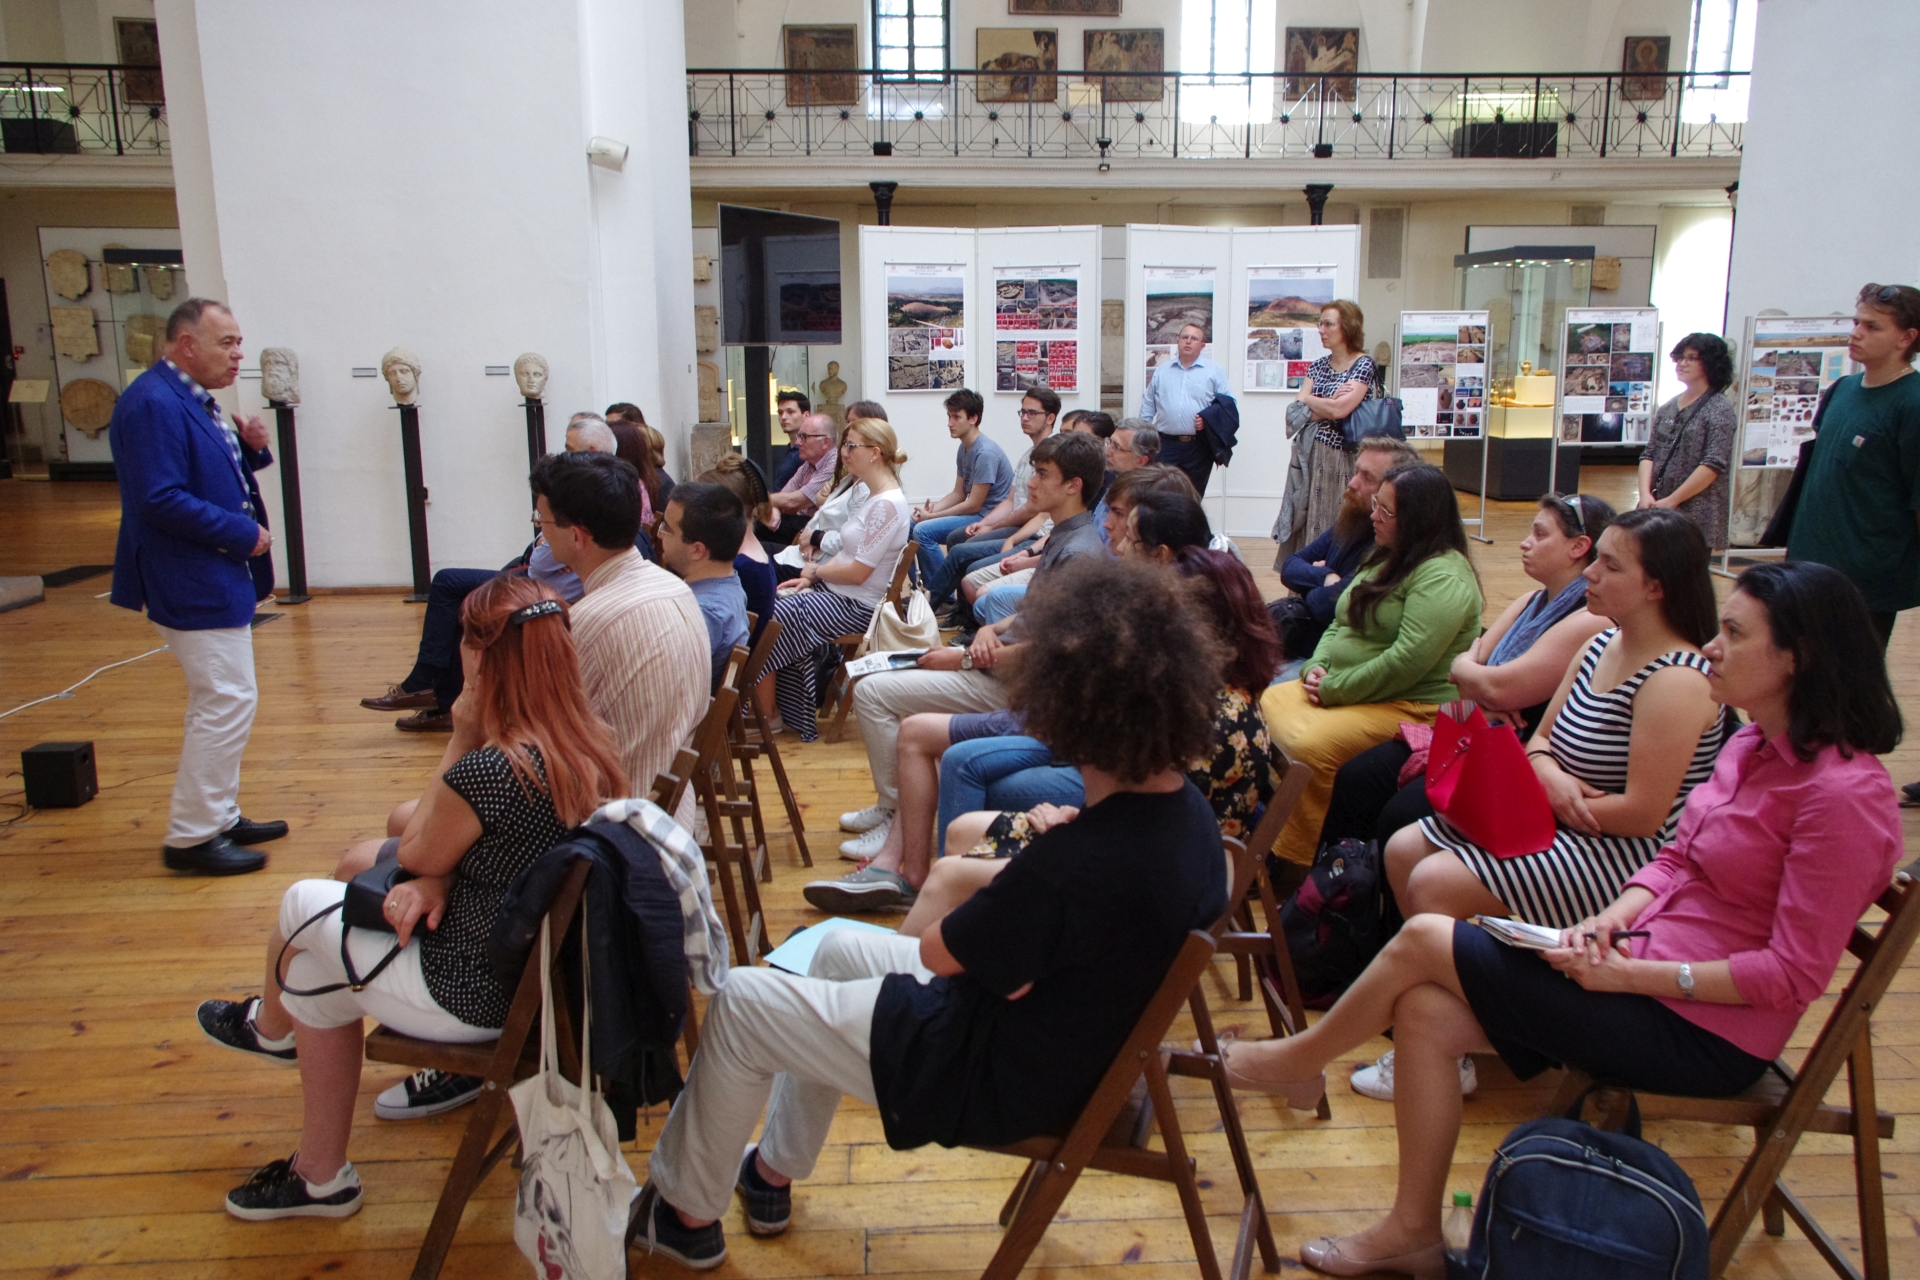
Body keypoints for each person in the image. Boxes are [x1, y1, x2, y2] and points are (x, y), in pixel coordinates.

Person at [1214, 560, 1903, 1280]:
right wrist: (1609, 922)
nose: (1712, 647)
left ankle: (1301, 1061)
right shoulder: (1752, 743)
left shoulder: (1842, 797)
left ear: (1798, 657)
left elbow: (1789, 974)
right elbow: (1674, 861)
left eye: (1734, 633)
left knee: (1424, 938)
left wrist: (1630, 973)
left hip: (1704, 1030)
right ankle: (1411, 1231)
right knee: (1424, 1011)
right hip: (1640, 967)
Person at [627, 557, 1230, 1270]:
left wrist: (1019, 869)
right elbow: (1039, 953)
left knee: (743, 1002)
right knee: (833, 949)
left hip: (993, 1073)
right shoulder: (1188, 818)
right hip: (1055, 1041)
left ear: (1069, 706)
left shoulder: (1076, 863)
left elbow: (941, 955)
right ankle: (769, 1174)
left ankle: (684, 1216)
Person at [197, 575, 630, 1220]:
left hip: (471, 993)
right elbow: (442, 845)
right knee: (311, 966)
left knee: (300, 904)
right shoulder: (589, 744)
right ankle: (317, 1172)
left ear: (481, 657)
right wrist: (439, 874)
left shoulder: (493, 767)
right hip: (542, 984)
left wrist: (459, 734)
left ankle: (271, 1031)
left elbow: (419, 849)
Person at [1326, 492, 1616, 1103]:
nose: (1524, 543)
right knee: (1362, 784)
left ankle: (1411, 988)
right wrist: (1481, 679)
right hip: (1478, 740)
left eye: (1539, 534)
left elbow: (1496, 680)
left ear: (1579, 546)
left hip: (1509, 773)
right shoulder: (1535, 601)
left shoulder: (1589, 622)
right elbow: (1469, 667)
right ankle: (1345, 937)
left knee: (1400, 820)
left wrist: (1481, 679)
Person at [911, 529, 1284, 928]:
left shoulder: (1209, 712)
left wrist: (1070, 822)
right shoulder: (1209, 693)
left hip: (1148, 870)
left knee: (952, 865)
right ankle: (960, 925)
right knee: (962, 827)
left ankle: (964, 930)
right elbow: (1141, 804)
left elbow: (1147, 818)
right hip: (1140, 844)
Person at [1387, 507, 1728, 932]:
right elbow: (1541, 738)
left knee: (1434, 881)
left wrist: (1548, 795)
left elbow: (1643, 816)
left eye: (1610, 566)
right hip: (1562, 819)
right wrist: (1547, 774)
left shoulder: (1677, 679)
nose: (1590, 573)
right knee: (1402, 849)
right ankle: (1436, 962)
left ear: (1655, 587)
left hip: (1622, 853)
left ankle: (1456, 965)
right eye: (1596, 558)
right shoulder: (1600, 644)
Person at [836, 431, 1110, 857]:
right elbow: (1036, 614)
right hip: (1003, 667)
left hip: (1014, 685)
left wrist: (963, 658)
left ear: (1074, 485)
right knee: (877, 678)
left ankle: (894, 813)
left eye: (1042, 474)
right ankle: (893, 807)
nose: (1031, 483)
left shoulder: (1080, 553)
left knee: (872, 692)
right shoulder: (1066, 538)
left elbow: (1057, 650)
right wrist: (991, 629)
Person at [108, 297, 287, 876]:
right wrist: (242, 533)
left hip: (210, 571)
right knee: (226, 700)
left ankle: (218, 816)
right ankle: (191, 837)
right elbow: (159, 497)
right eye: (226, 343)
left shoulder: (185, 396)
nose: (238, 354)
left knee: (221, 700)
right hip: (190, 575)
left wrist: (252, 450)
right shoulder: (153, 403)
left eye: (238, 342)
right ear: (186, 344)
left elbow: (206, 471)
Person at [1259, 465, 1481, 870]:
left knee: (1310, 745)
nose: (1373, 515)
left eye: (1386, 511)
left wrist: (1335, 688)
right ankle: (1269, 828)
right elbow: (1341, 620)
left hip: (1411, 706)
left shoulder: (1444, 576)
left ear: (1419, 519)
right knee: (1264, 703)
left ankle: (1297, 855)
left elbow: (1406, 663)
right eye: (1377, 505)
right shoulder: (1387, 554)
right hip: (1353, 688)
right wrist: (1317, 665)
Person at [359, 422, 616, 732]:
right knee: (457, 594)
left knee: (450, 585)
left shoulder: (592, 495)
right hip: (538, 578)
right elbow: (542, 555)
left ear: (592, 451)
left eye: (569, 448)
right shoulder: (590, 490)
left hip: (544, 589)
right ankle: (437, 695)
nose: (565, 454)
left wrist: (543, 545)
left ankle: (429, 686)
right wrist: (543, 543)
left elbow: (540, 564)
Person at [532, 451, 711, 819]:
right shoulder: (674, 587)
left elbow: (543, 742)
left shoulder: (591, 619)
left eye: (542, 521)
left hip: (613, 822)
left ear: (576, 536)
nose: (541, 532)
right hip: (670, 808)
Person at [1785, 283, 1920, 655]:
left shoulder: (1912, 403)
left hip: (1866, 579)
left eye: (1872, 326)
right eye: (1856, 322)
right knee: (1800, 670)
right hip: (1809, 567)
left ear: (1906, 338)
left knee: (1850, 681)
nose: (1856, 333)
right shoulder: (1842, 389)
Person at [762, 418, 912, 742]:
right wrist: (809, 580)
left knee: (771, 617)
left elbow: (858, 572)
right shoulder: (873, 495)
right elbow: (847, 553)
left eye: (851, 445)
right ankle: (781, 711)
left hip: (856, 606)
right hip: (839, 594)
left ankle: (768, 714)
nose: (844, 452)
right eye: (845, 444)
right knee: (772, 605)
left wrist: (814, 572)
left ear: (874, 453)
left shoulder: (887, 505)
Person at [1277, 437, 1421, 660]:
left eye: (1367, 478)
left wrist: (1309, 581)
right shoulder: (1353, 520)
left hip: (1334, 657)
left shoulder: (1391, 545)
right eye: (1356, 472)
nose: (1352, 483)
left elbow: (1324, 607)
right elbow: (1290, 567)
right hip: (1311, 646)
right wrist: (1326, 577)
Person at [925, 388, 1059, 611]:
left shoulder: (1053, 455)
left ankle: (926, 608)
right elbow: (1010, 501)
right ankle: (958, 610)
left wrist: (992, 526)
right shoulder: (1029, 454)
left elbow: (1031, 510)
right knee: (957, 538)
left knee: (959, 551)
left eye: (1032, 413)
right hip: (1017, 524)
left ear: (1050, 418)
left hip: (1032, 531)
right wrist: (985, 524)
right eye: (1023, 412)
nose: (1025, 418)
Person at [1275, 301, 1377, 562]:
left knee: (1340, 519)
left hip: (1347, 458)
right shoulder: (1318, 366)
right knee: (1311, 518)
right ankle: (1308, 578)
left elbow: (1339, 410)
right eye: (1320, 324)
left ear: (1348, 327)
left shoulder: (1363, 365)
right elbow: (1294, 413)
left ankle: (1337, 577)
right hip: (1313, 456)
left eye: (1328, 324)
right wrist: (1327, 401)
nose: (1321, 329)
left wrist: (1311, 401)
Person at [1639, 333, 1737, 550]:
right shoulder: (1668, 407)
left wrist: (1673, 500)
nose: (1682, 363)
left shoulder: (1719, 408)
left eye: (1692, 358)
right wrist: (1645, 494)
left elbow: (1713, 463)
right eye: (1680, 357)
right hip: (1656, 505)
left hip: (1697, 511)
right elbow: (1649, 453)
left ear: (1710, 363)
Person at [910, 388, 1015, 585]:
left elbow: (974, 505)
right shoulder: (965, 447)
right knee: (910, 525)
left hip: (987, 516)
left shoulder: (985, 453)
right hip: (975, 512)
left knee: (923, 531)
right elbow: (959, 493)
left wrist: (931, 517)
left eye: (956, 417)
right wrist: (932, 510)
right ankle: (921, 589)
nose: (950, 423)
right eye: (949, 416)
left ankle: (941, 592)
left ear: (973, 418)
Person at [659, 482, 751, 695]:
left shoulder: (704, 612)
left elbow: (666, 685)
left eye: (667, 528)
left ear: (697, 550)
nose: (660, 534)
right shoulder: (728, 582)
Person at [1140, 321, 1232, 496]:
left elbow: (1228, 406)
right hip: (1165, 445)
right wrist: (1144, 441)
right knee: (1159, 496)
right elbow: (1148, 406)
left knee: (1192, 498)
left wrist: (1208, 420)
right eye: (1185, 337)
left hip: (1198, 447)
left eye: (1194, 338)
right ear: (1178, 341)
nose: (1188, 341)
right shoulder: (1162, 371)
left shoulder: (1214, 372)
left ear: (1202, 346)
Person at [762, 411, 838, 547]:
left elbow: (794, 501)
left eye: (804, 437)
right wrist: (775, 509)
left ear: (825, 442)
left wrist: (756, 500)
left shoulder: (833, 465)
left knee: (754, 526)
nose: (798, 442)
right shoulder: (809, 463)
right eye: (799, 436)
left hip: (815, 530)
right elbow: (785, 495)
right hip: (798, 522)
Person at [770, 390, 811, 491]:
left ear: (806, 415)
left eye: (790, 412)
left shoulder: (809, 452)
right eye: (780, 413)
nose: (783, 417)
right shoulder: (790, 449)